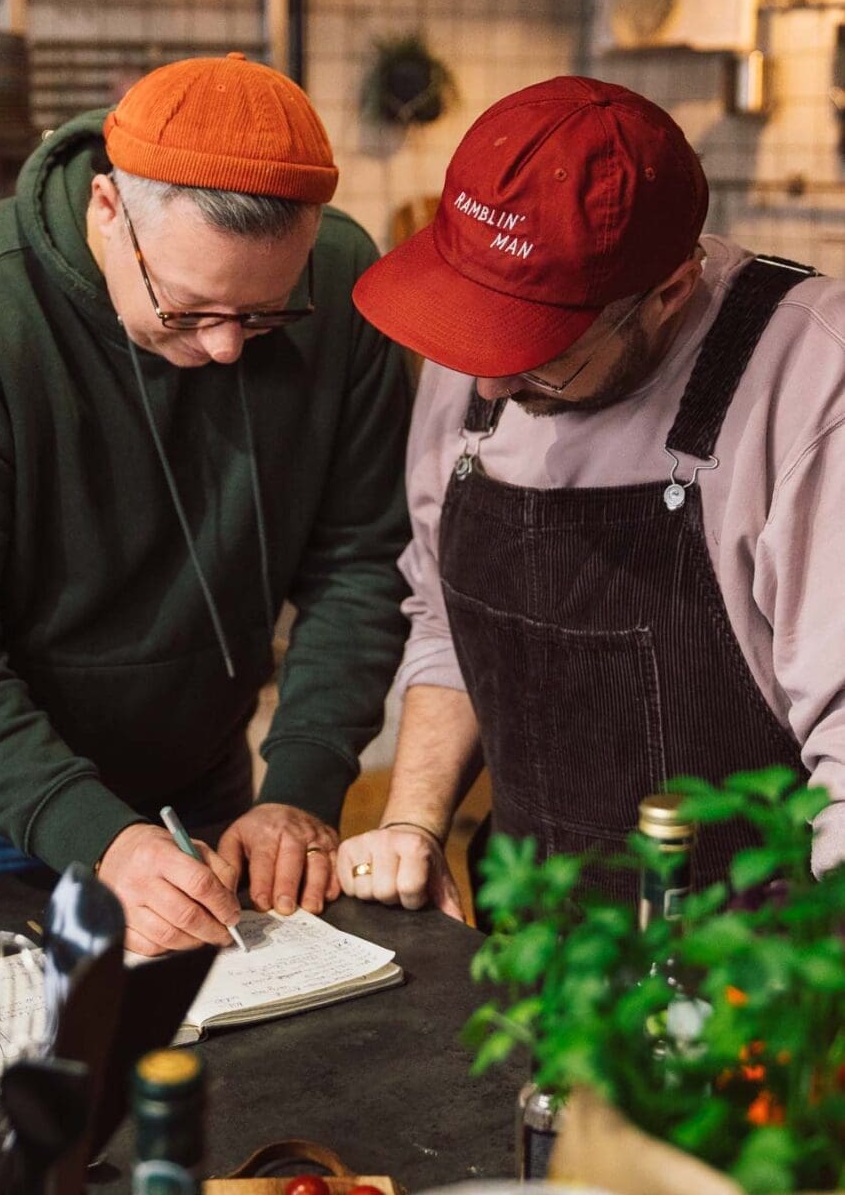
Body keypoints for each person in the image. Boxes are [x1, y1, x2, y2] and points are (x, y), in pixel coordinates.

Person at [0, 51, 411, 955]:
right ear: (108, 210)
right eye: (189, 310)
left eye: (264, 313)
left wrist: (300, 787)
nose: (227, 349)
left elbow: (361, 561)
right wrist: (96, 835)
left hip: (200, 772)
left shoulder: (342, 280)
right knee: (15, 1040)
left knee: (221, 1040)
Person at [337, 74, 845, 917]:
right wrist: (412, 824)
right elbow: (444, 622)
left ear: (668, 294)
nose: (489, 386)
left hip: (744, 951)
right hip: (525, 918)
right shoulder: (477, 361)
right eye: (476, 340)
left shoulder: (812, 382)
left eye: (539, 351)